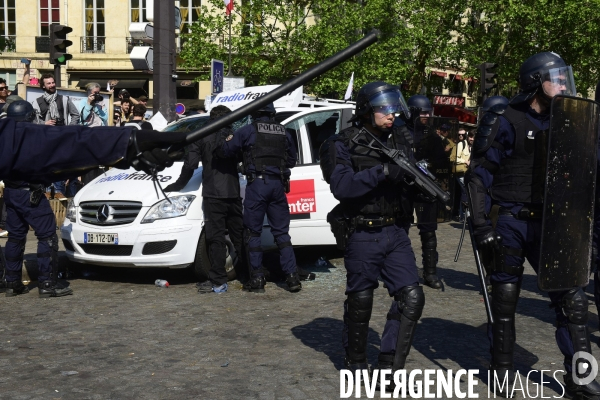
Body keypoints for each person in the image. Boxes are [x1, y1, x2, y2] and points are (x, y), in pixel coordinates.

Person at [466, 51, 600, 398]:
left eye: (562, 77)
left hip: (554, 225)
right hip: (511, 221)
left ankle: (581, 380)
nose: (562, 84)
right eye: (554, 78)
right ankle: (502, 377)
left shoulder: (570, 120)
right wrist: (482, 227)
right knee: (505, 299)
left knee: (574, 300)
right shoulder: (506, 118)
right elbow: (478, 176)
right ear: (534, 82)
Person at [319, 82, 424, 376]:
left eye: (394, 108)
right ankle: (355, 361)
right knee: (361, 299)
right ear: (366, 110)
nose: (391, 115)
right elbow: (342, 186)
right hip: (363, 230)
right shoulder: (341, 143)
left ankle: (391, 364)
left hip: (395, 232)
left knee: (412, 297)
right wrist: (382, 172)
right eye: (384, 109)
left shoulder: (399, 141)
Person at [217, 103, 302, 293]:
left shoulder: (248, 130)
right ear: (272, 114)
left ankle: (257, 278)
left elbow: (225, 151)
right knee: (282, 234)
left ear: (255, 114)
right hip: (278, 185)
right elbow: (291, 160)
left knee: (252, 233)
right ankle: (292, 277)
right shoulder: (284, 132)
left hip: (257, 185)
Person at [165, 105, 243, 294]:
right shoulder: (236, 135)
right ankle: (249, 274)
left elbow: (190, 164)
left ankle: (218, 281)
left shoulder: (201, 135)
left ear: (211, 119)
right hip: (233, 191)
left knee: (215, 238)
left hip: (213, 193)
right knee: (240, 236)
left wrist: (178, 185)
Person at [2, 101, 71, 297]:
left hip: (12, 193)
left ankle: (12, 282)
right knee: (47, 236)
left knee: (15, 238)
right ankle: (47, 283)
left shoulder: (5, 139)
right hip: (30, 193)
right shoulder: (30, 139)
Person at [405, 94, 443, 289]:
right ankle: (402, 270)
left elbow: (442, 162)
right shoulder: (400, 133)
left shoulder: (433, 136)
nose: (427, 115)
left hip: (426, 188)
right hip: (404, 187)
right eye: (424, 112)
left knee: (428, 233)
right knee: (400, 230)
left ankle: (430, 272)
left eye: (429, 112)